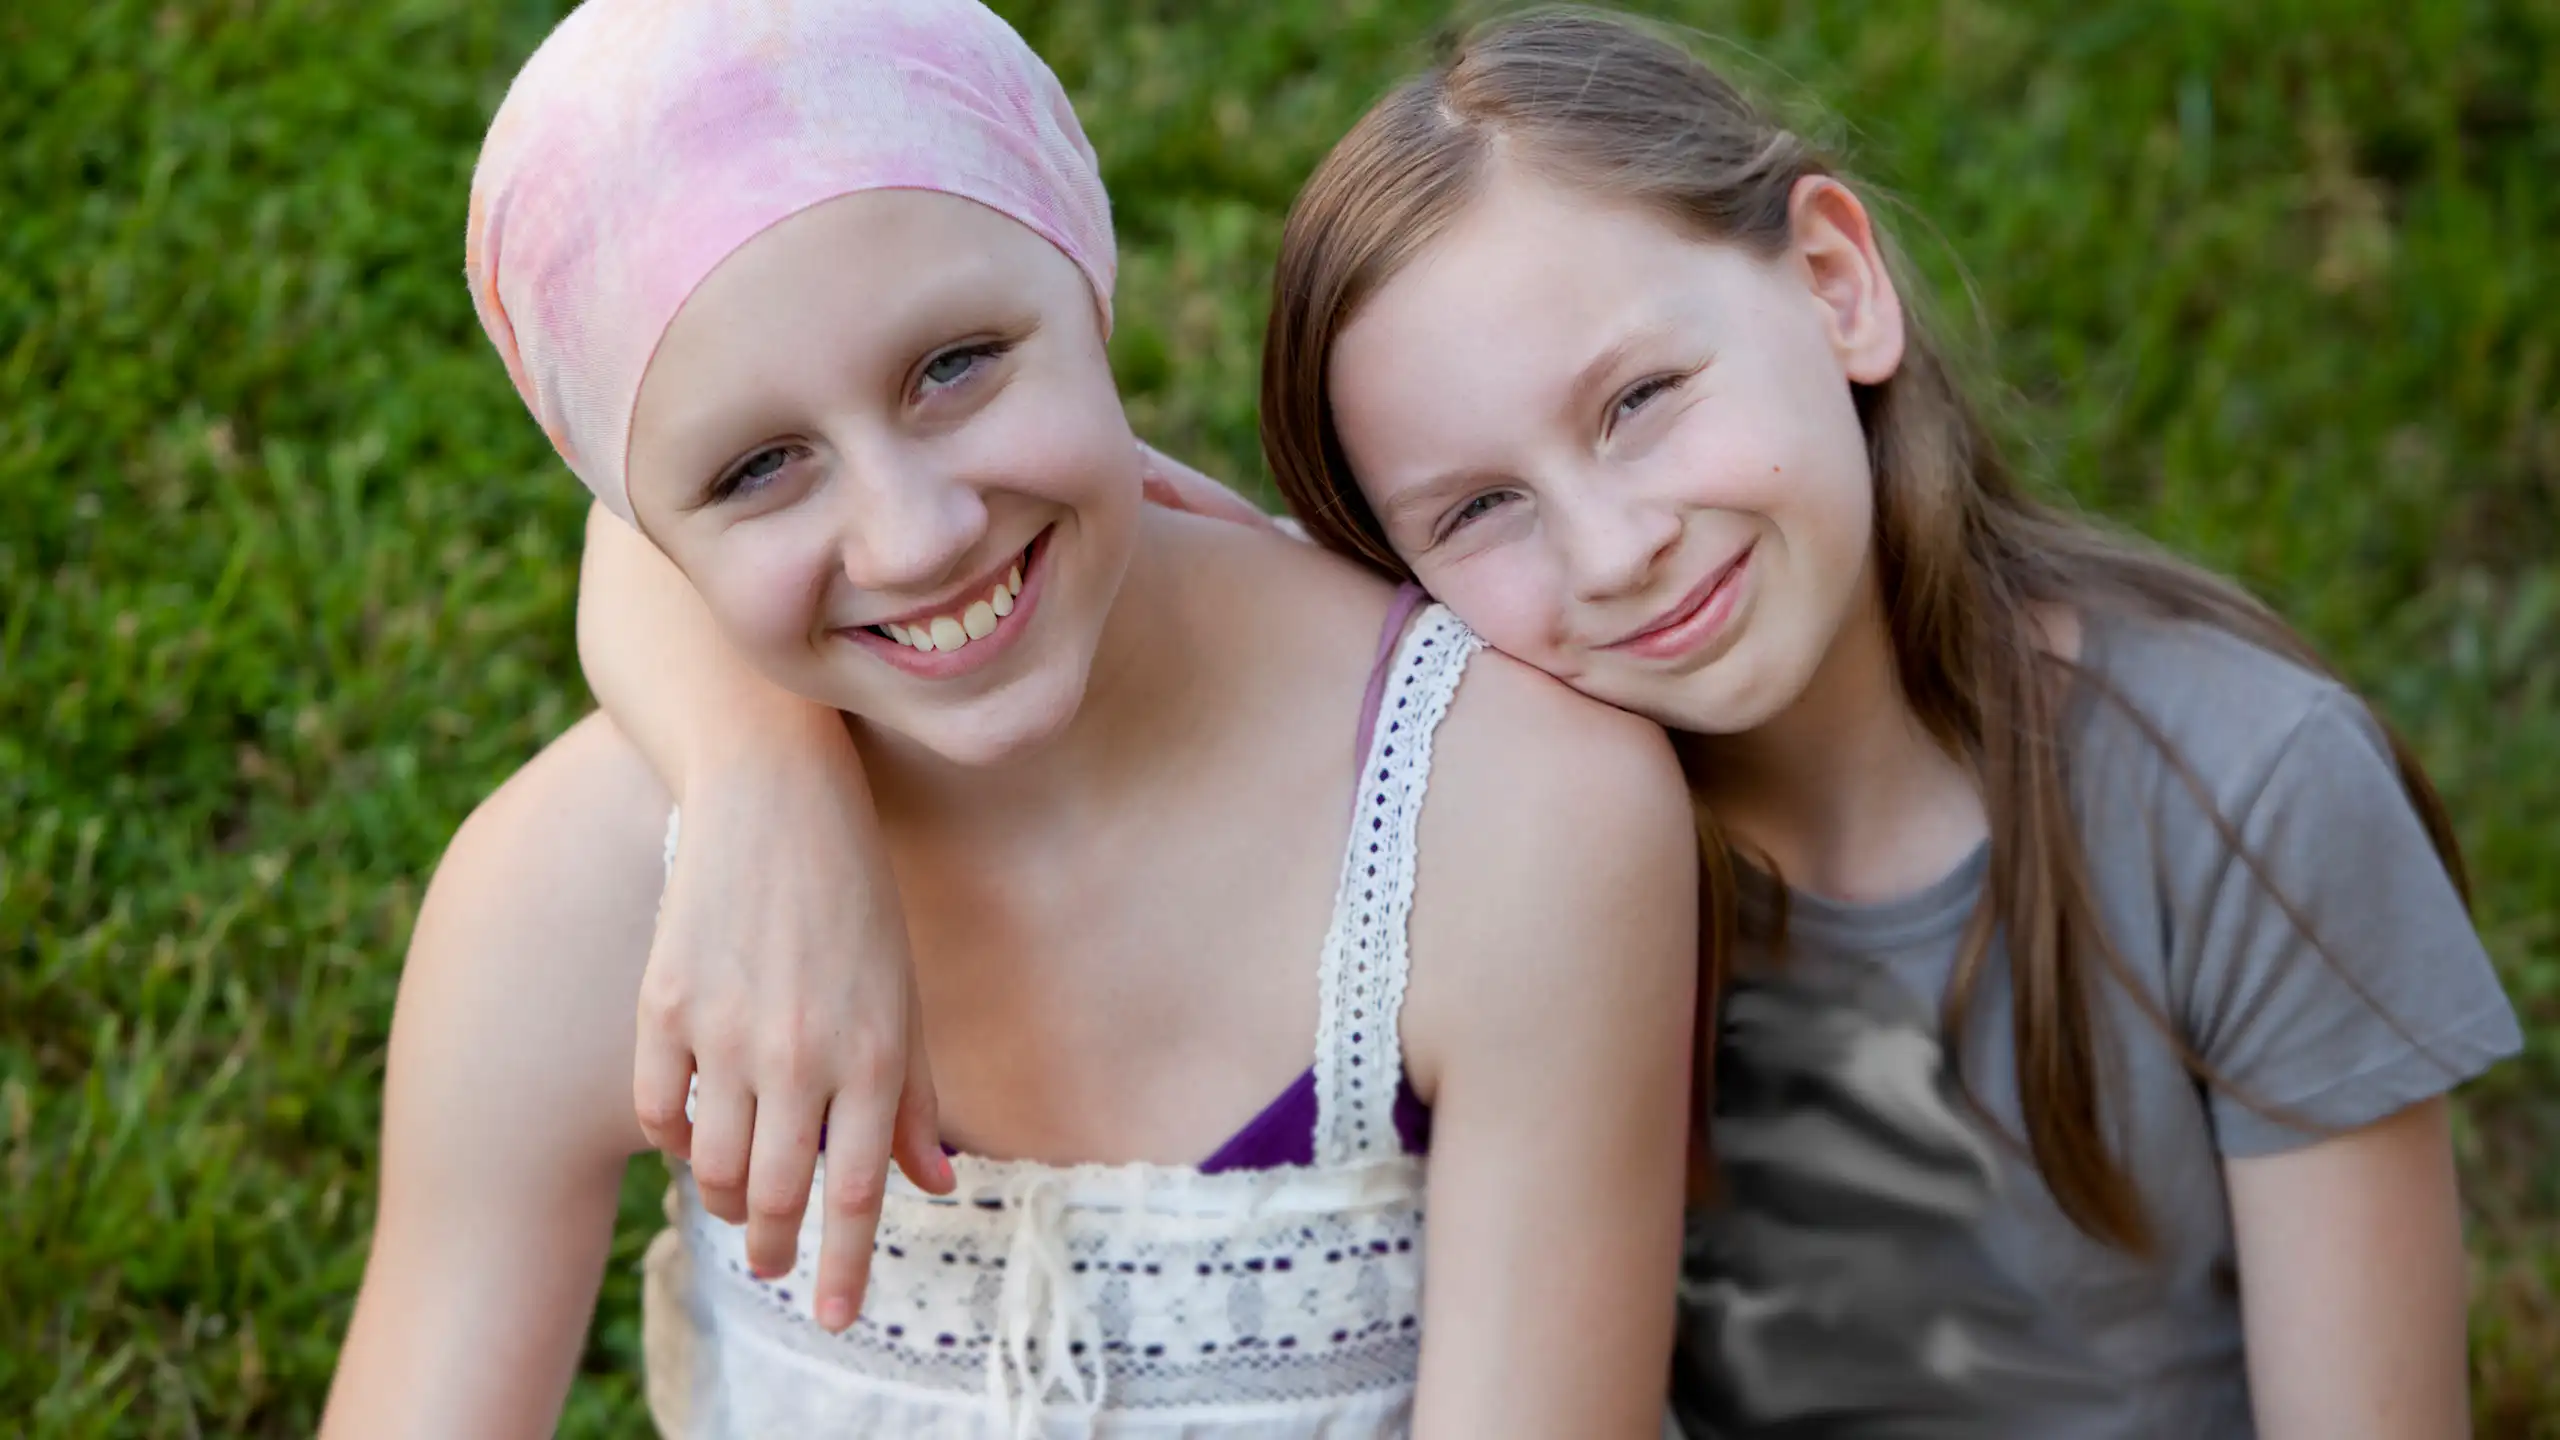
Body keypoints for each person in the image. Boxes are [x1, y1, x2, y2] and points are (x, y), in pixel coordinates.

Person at [593, 8, 2522, 1436]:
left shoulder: (2243, 791)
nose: (1607, 551)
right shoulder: (1465, 798)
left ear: (1838, 285)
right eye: (1478, 510)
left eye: (1639, 400)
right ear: (1394, 575)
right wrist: (767, 784)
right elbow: (661, 516)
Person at [319, 2, 1700, 1435]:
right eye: (759, 468)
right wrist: (759, 787)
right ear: (642, 525)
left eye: (955, 365)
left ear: (1090, 282)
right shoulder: (573, 894)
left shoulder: (1513, 812)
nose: (914, 536)